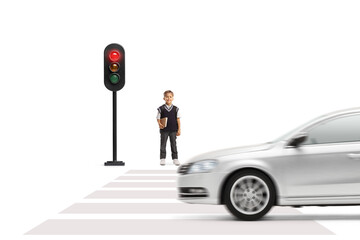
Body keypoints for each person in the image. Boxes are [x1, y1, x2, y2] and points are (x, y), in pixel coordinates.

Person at [157, 90, 181, 166]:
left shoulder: (175, 109)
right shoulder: (161, 108)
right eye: (167, 97)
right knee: (163, 144)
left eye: (170, 97)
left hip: (173, 129)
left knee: (173, 144)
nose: (168, 98)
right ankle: (162, 158)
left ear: (173, 98)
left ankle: (175, 158)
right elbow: (158, 118)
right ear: (164, 98)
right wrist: (159, 124)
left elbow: (178, 119)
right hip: (164, 130)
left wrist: (179, 129)